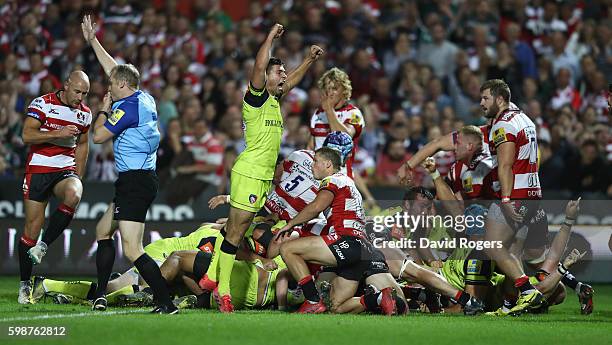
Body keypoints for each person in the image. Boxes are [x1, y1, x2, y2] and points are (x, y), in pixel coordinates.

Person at [199, 23, 323, 313]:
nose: (283, 76)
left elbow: (290, 82)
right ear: (264, 76)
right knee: (235, 233)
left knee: (236, 230)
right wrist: (269, 38)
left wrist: (308, 60)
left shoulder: (275, 100)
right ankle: (223, 291)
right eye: (277, 71)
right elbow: (259, 66)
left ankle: (209, 277)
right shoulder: (255, 98)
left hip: (263, 177)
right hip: (250, 172)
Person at [81, 15, 174, 314]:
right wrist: (93, 41)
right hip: (139, 179)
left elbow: (98, 137)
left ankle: (166, 301)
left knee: (133, 249)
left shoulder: (126, 109)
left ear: (122, 86)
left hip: (134, 181)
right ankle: (101, 295)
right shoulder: (143, 97)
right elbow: (116, 70)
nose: (108, 86)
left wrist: (102, 110)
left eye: (111, 84)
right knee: (102, 231)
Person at [18, 70, 92, 304]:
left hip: (64, 170)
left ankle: (43, 246)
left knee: (74, 193)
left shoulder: (84, 114)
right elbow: (26, 135)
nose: (80, 97)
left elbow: (82, 145)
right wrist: (58, 133)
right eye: (78, 91)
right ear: (66, 85)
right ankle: (24, 284)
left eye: (85, 93)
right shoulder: (43, 103)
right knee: (31, 229)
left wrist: (78, 175)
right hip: (38, 170)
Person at [478, 79, 545, 315]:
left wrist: (505, 200)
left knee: (492, 245)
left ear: (499, 99)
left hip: (515, 194)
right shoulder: (524, 118)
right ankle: (509, 305)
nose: (481, 103)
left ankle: (528, 291)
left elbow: (505, 165)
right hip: (532, 192)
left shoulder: (503, 125)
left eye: (485, 98)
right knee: (512, 251)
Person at [277, 147, 372, 314]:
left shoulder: (332, 181)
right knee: (335, 306)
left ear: (328, 164)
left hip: (345, 239)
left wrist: (290, 224)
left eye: (315, 161)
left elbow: (316, 206)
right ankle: (380, 299)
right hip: (362, 248)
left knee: (287, 248)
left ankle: (312, 300)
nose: (312, 165)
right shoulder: (348, 182)